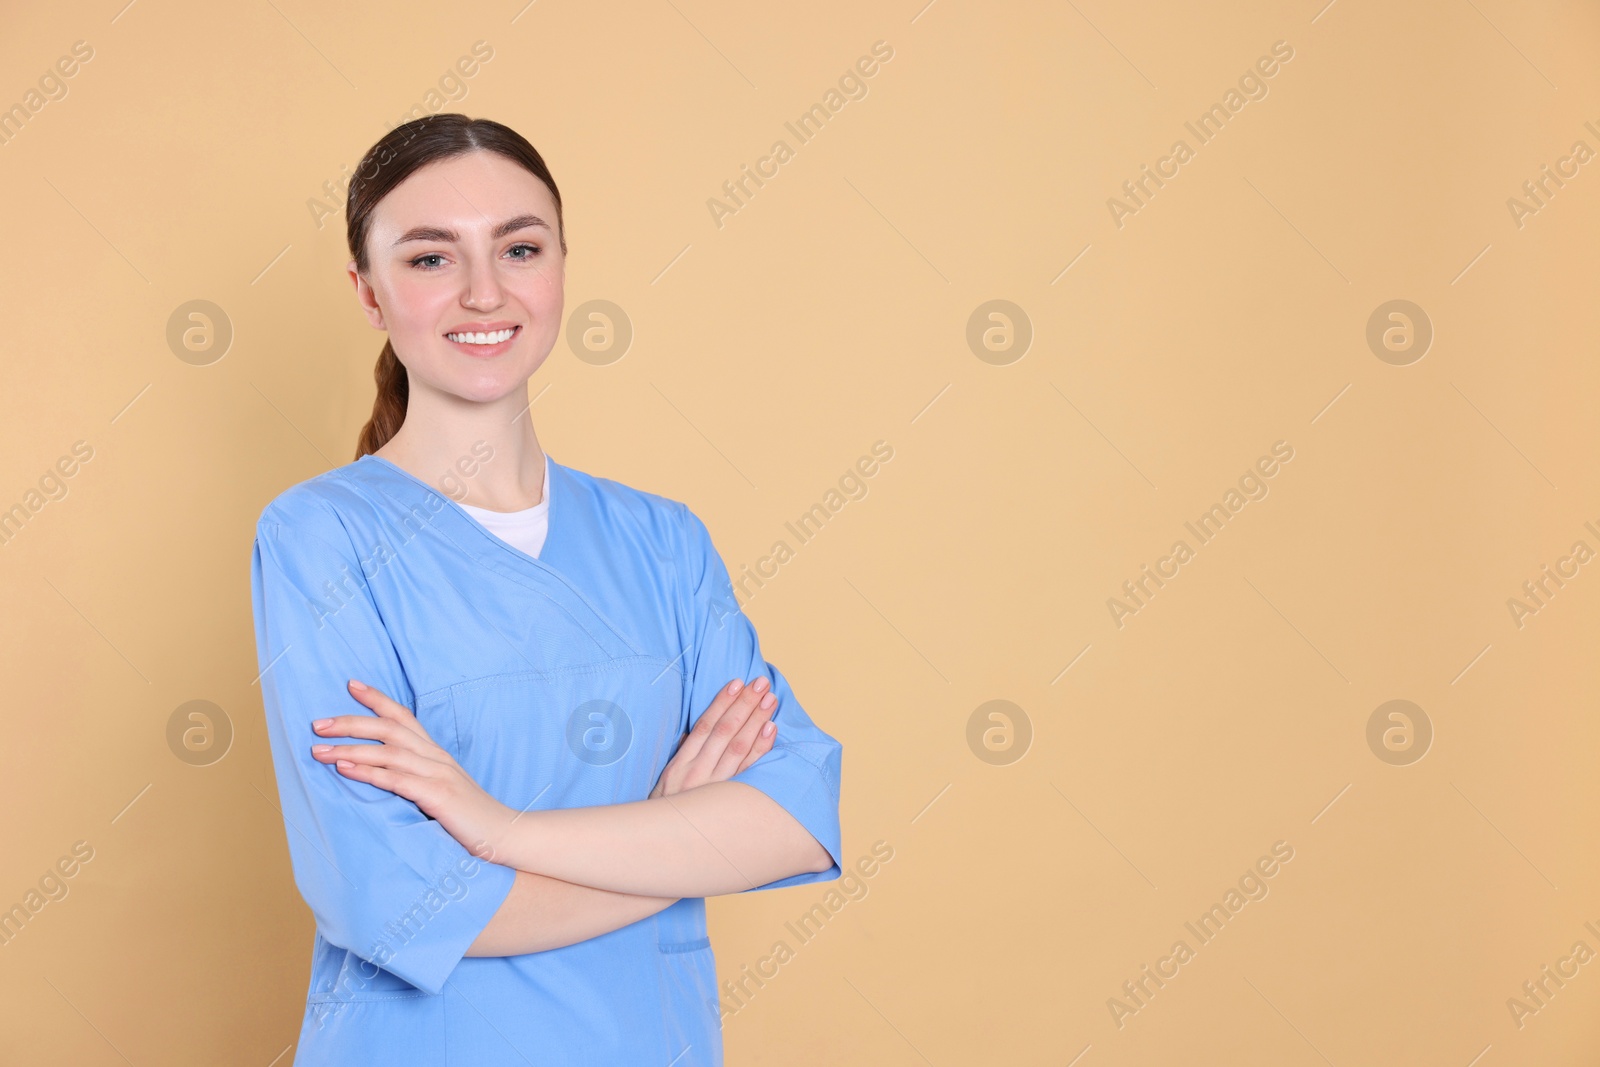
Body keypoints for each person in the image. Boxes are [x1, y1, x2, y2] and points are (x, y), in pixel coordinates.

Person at [249, 113, 843, 1066]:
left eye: (519, 248)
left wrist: (497, 828)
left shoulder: (662, 542)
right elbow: (391, 898)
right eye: (432, 258)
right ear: (368, 294)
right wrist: (672, 842)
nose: (485, 292)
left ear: (562, 264)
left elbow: (796, 820)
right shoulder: (321, 537)